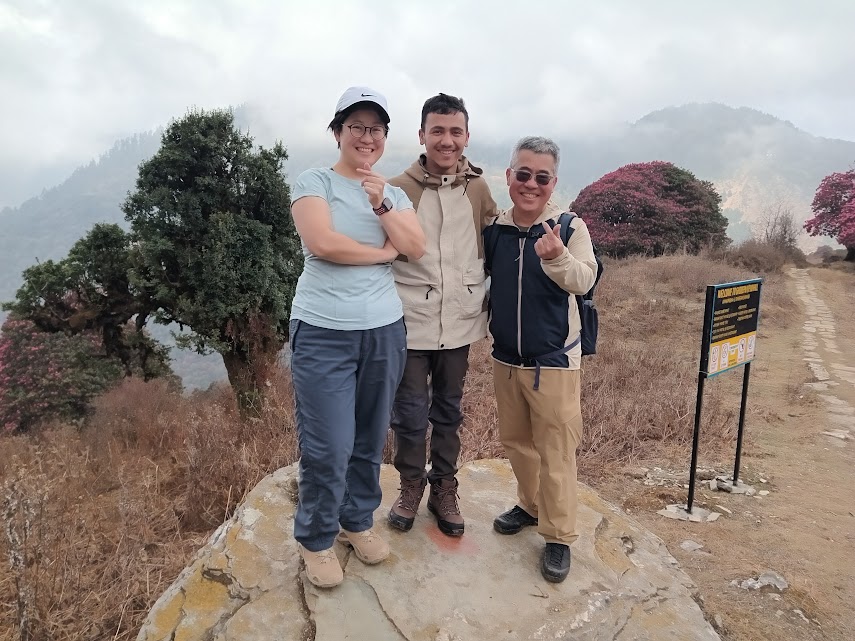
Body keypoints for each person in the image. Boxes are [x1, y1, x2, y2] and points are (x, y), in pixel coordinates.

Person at [288, 86, 426, 589]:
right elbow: (323, 243)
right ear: (338, 132)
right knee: (328, 445)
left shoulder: (394, 194)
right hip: (323, 331)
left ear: (385, 136)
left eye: (376, 129)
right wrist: (383, 253)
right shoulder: (314, 182)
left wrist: (382, 204)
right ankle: (316, 538)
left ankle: (356, 519)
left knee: (369, 438)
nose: (366, 137)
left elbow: (415, 246)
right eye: (356, 127)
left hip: (383, 331)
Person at [485, 136, 597, 583]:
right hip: (506, 359)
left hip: (553, 361)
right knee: (516, 442)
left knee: (556, 451)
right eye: (524, 174)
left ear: (553, 183)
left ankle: (559, 535)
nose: (531, 184)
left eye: (542, 177)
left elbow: (584, 279)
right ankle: (530, 507)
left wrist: (557, 258)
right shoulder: (496, 229)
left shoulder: (569, 227)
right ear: (509, 176)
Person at [386, 93, 497, 536]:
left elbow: (492, 243)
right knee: (410, 412)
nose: (446, 140)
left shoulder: (478, 189)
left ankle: (444, 488)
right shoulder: (398, 189)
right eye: (438, 131)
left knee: (449, 409)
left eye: (455, 132)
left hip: (460, 319)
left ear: (467, 136)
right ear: (422, 135)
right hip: (410, 319)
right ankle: (410, 485)